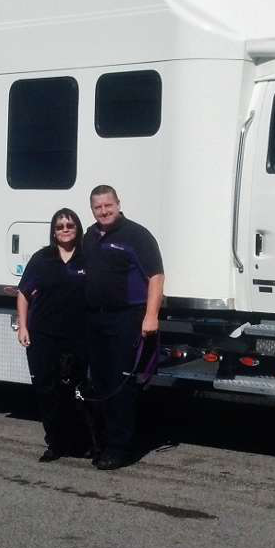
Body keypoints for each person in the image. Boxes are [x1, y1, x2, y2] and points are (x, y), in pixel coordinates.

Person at [83, 184, 164, 470]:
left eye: (108, 205)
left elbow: (155, 277)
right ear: (92, 210)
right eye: (98, 207)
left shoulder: (137, 235)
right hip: (95, 319)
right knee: (100, 382)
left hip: (126, 317)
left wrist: (151, 315)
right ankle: (102, 441)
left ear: (118, 203)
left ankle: (120, 448)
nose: (104, 211)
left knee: (120, 383)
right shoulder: (90, 237)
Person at [17, 208, 88, 462]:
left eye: (70, 225)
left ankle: (80, 442)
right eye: (60, 226)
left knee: (77, 391)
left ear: (78, 228)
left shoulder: (87, 257)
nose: (65, 229)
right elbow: (24, 293)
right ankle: (55, 444)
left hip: (78, 337)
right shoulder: (42, 258)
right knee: (47, 390)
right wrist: (23, 327)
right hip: (43, 336)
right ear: (53, 232)